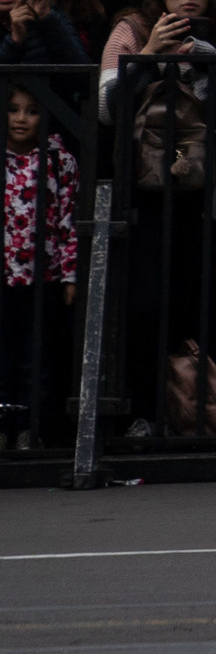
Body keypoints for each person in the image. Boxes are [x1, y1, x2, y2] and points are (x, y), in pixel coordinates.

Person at [0, 82, 80, 446]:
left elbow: (68, 218)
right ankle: (4, 428)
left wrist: (70, 273)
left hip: (41, 273)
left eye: (31, 111)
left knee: (37, 356)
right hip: (4, 272)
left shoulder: (56, 159)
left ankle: (32, 428)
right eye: (14, 109)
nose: (20, 119)